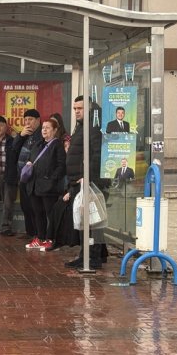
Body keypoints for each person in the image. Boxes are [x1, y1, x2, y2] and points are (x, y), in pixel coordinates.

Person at [64, 95, 107, 269]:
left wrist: (88, 177)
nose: (76, 112)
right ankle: (88, 255)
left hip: (89, 182)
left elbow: (96, 155)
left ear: (89, 109)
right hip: (78, 181)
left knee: (92, 222)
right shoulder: (82, 126)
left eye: (79, 108)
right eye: (75, 109)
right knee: (84, 220)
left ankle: (93, 257)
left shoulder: (93, 127)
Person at [23, 116, 66, 250]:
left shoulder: (57, 145)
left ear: (54, 130)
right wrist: (29, 163)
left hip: (49, 187)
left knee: (50, 214)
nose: (44, 130)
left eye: (47, 128)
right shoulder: (38, 144)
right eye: (43, 128)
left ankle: (52, 239)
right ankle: (40, 238)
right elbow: (31, 158)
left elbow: (61, 166)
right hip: (35, 185)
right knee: (38, 213)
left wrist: (52, 179)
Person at [12, 108, 42, 239]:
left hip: (35, 178)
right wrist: (20, 136)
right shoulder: (24, 134)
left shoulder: (42, 134)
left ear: (38, 121)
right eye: (25, 120)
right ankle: (30, 232)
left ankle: (37, 233)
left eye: (30, 119)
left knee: (35, 207)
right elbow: (13, 149)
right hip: (23, 177)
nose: (27, 122)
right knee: (25, 206)